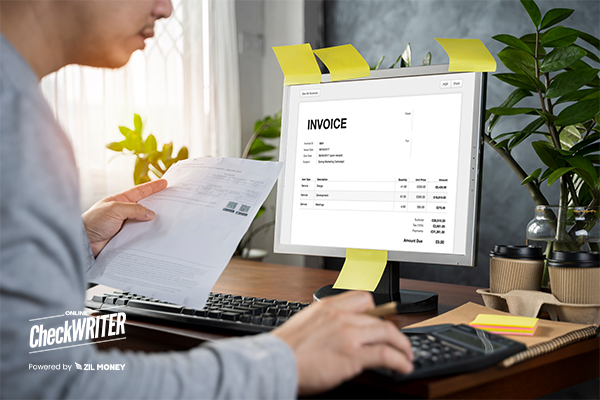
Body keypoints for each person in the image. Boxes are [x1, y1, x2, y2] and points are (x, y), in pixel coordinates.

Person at [0, 1, 414, 398]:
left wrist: (78, 243)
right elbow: (48, 386)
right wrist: (280, 362)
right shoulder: (16, 120)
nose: (166, 8)